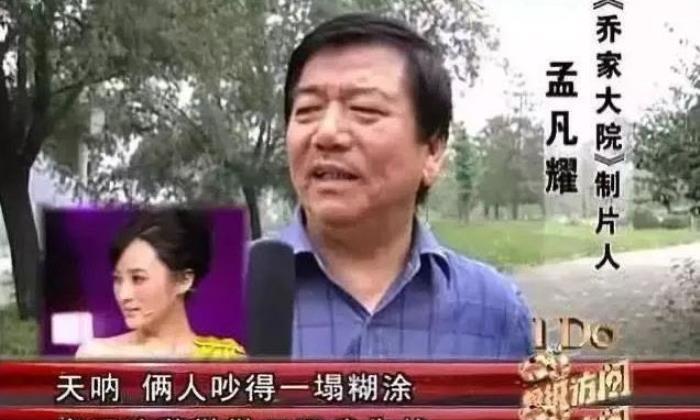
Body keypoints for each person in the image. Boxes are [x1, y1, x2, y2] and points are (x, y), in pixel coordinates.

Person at [277, 13, 533, 359]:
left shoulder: (496, 311)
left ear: (432, 152)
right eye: (308, 110)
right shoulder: (219, 296)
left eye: (364, 109)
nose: (327, 133)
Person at [75, 209, 245, 360]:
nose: (123, 295)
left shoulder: (225, 360)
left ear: (184, 280)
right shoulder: (98, 354)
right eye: (118, 280)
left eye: (138, 278)